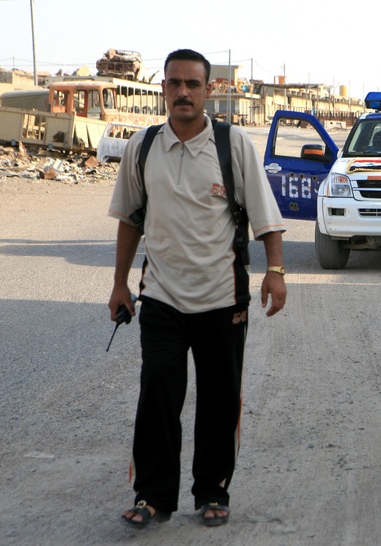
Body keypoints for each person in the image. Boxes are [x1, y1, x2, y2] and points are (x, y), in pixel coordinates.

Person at [108, 48, 287, 528]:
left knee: (219, 397)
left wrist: (276, 270)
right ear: (163, 89)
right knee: (158, 392)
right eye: (174, 83)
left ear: (209, 90)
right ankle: (153, 495)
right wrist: (120, 284)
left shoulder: (232, 145)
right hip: (162, 297)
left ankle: (213, 492)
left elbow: (267, 217)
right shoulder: (143, 147)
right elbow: (129, 219)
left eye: (192, 84)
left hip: (222, 298)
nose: (182, 92)